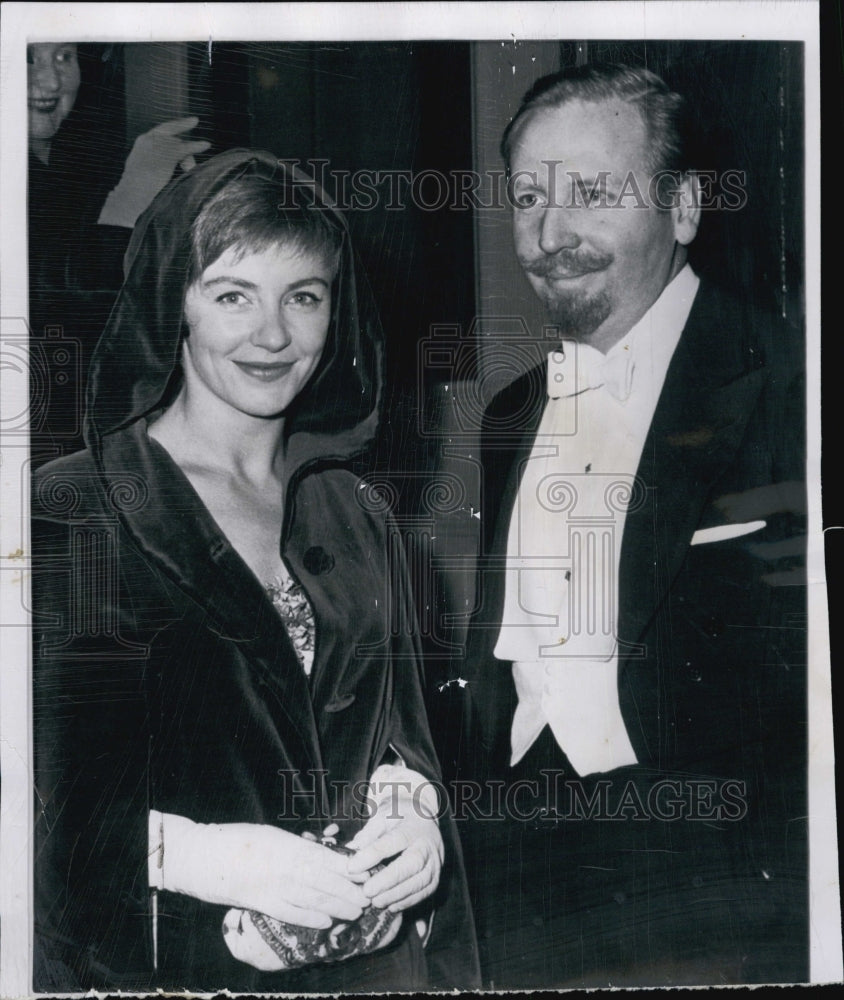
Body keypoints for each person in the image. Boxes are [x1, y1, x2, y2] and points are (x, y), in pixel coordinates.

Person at [31, 149, 480, 993]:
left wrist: (411, 807)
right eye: (233, 294)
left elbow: (401, 734)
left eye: (302, 297)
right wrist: (198, 856)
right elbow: (37, 798)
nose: (272, 335)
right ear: (177, 305)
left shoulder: (356, 510)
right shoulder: (73, 511)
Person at [443, 63, 807, 988]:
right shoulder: (513, 412)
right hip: (514, 866)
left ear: (683, 207)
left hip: (723, 887)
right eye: (528, 198)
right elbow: (501, 667)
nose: (551, 235)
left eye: (593, 194)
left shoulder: (794, 389)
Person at [28, 41, 210, 463]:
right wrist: (130, 198)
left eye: (63, 57)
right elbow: (43, 299)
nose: (50, 81)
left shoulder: (73, 161)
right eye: (27, 58)